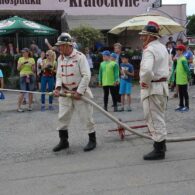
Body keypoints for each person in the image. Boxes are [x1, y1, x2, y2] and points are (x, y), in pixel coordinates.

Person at [53, 32, 96, 152]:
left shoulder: (80, 57)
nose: (59, 48)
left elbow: (86, 76)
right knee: (62, 117)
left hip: (79, 93)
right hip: (65, 93)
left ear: (68, 45)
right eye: (59, 46)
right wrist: (57, 88)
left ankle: (92, 140)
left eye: (61, 45)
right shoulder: (60, 58)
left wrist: (79, 92)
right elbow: (59, 75)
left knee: (86, 116)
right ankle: (63, 141)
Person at [139, 21, 169, 160]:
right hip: (162, 86)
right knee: (159, 116)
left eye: (144, 36)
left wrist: (144, 82)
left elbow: (146, 70)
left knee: (153, 117)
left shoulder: (149, 49)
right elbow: (170, 64)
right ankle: (162, 145)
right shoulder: (163, 47)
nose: (141, 38)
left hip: (153, 87)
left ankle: (159, 149)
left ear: (150, 36)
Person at [170, 44, 191, 112]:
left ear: (182, 51)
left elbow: (187, 69)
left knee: (185, 93)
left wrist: (189, 76)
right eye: (176, 50)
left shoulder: (183, 59)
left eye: (178, 50)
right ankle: (181, 105)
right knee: (180, 93)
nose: (176, 51)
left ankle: (187, 106)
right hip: (179, 79)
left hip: (183, 79)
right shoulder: (178, 58)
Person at [17, 48, 35, 112]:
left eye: (25, 52)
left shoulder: (32, 59)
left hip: (30, 76)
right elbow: (18, 69)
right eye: (23, 52)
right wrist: (22, 64)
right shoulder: (20, 59)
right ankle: (19, 107)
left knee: (30, 91)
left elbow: (33, 70)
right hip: (23, 76)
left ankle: (30, 106)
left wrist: (32, 65)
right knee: (22, 91)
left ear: (28, 53)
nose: (23, 53)